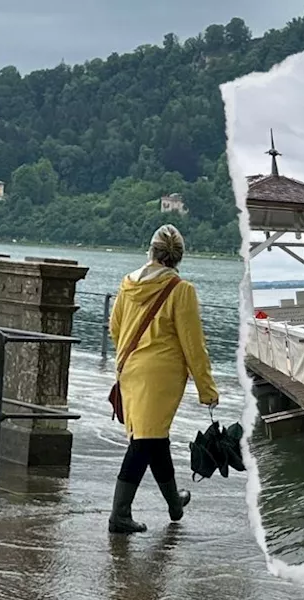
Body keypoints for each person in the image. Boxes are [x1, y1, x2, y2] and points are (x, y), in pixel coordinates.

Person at [107, 224, 219, 535]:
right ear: (179, 257)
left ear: (152, 251)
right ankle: (119, 514)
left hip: (129, 368)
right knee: (144, 442)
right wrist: (206, 389)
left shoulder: (128, 284)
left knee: (154, 440)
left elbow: (114, 328)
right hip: (161, 377)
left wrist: (133, 356)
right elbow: (193, 344)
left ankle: (174, 503)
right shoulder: (181, 291)